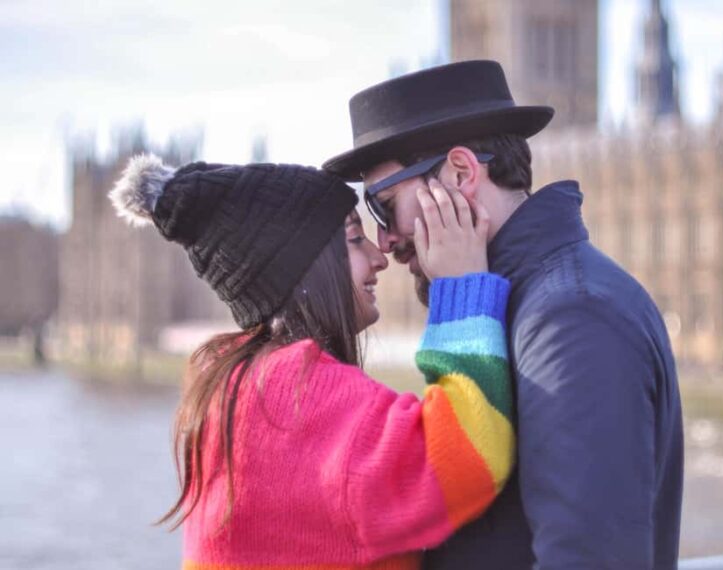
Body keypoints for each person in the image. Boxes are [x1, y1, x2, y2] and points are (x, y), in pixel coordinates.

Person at [323, 60, 684, 569]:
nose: (384, 240)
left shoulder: (571, 319)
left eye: (384, 206)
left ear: (462, 173)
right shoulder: (520, 307)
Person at [108, 154, 515, 569]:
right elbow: (470, 458)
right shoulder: (295, 400)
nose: (379, 256)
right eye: (354, 239)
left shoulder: (237, 390)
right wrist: (462, 287)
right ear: (303, 268)